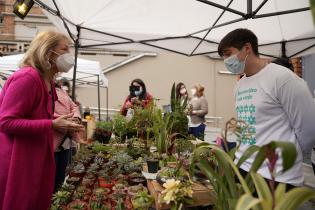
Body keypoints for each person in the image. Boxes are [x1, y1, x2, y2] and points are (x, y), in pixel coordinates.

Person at [218, 28, 315, 187]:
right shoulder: (239, 85)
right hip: (243, 168)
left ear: (247, 48)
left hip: (276, 176)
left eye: (228, 54)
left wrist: (286, 154)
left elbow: (309, 129)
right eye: (223, 56)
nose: (226, 60)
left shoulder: (282, 78)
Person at [0, 30, 84, 210]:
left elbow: (37, 114)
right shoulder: (27, 78)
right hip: (18, 162)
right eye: (64, 49)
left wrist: (62, 121)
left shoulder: (48, 81)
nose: (69, 55)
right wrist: (52, 124)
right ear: (47, 51)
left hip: (35, 158)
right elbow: (5, 122)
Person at [53, 82, 83, 192]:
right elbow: (44, 112)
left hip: (66, 140)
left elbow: (74, 106)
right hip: (53, 140)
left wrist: (76, 118)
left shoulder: (61, 90)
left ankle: (57, 200)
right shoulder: (44, 89)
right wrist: (65, 120)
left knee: (62, 175)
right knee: (51, 178)